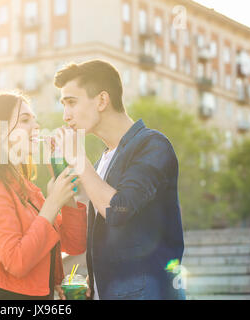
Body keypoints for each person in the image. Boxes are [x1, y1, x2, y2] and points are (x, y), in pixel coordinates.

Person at [53, 60, 185, 300]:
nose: (65, 115)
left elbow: (118, 209)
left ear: (102, 100)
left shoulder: (152, 145)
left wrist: (78, 159)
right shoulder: (101, 163)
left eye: (71, 102)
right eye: (63, 105)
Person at [0, 92, 87, 300]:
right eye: (25, 120)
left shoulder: (26, 188)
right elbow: (16, 262)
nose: (36, 127)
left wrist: (62, 183)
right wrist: (53, 202)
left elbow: (75, 243)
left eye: (35, 120)